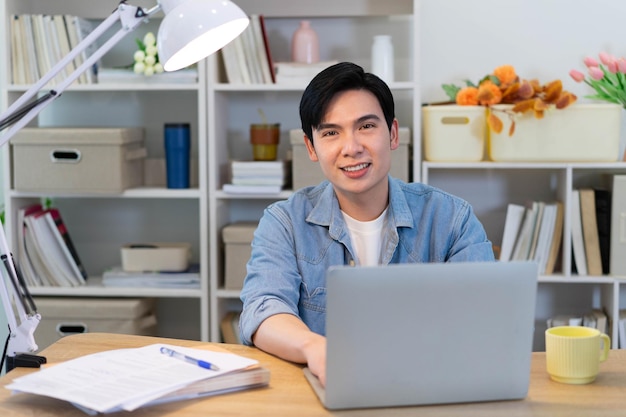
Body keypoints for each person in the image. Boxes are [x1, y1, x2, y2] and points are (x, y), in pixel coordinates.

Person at [239, 62, 495, 386]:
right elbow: (262, 309)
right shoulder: (284, 222)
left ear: (392, 134)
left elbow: (484, 316)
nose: (352, 147)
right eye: (331, 133)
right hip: (323, 395)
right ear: (311, 147)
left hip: (426, 390)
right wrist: (315, 347)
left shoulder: (451, 219)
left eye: (366, 126)